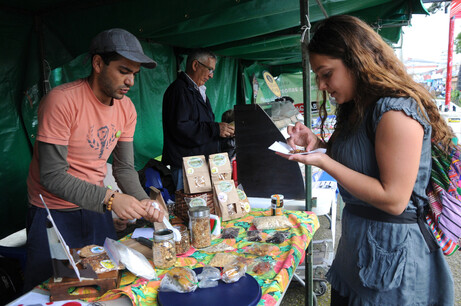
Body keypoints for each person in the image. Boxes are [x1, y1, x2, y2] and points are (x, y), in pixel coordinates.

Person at [277, 15, 454, 305]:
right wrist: (317, 144)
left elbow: (395, 198)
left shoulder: (396, 112)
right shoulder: (357, 107)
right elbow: (358, 163)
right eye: (317, 76)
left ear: (356, 62)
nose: (321, 85)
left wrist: (323, 162)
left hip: (393, 258)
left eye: (326, 73)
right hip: (358, 250)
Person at [23, 28, 165, 292]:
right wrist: (111, 199)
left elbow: (124, 168)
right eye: (124, 71)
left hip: (95, 209)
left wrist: (143, 200)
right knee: (50, 290)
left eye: (135, 74)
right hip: (53, 215)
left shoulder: (127, 109)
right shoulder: (62, 101)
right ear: (98, 64)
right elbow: (52, 175)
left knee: (102, 286)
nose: (131, 81)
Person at [162, 48, 234, 191]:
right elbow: (181, 128)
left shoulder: (198, 91)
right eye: (210, 70)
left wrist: (223, 133)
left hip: (198, 164)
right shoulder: (179, 90)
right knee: (188, 209)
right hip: (187, 167)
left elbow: (202, 125)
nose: (211, 75)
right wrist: (215, 129)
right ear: (195, 65)